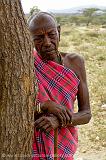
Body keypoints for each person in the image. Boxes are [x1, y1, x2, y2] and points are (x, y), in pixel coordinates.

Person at [29, 12, 91, 160]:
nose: (47, 42)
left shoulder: (75, 62)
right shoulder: (28, 64)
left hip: (65, 144)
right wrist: (44, 106)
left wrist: (58, 121)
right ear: (29, 39)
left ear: (59, 31)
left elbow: (86, 114)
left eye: (51, 34)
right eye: (38, 38)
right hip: (33, 144)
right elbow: (14, 109)